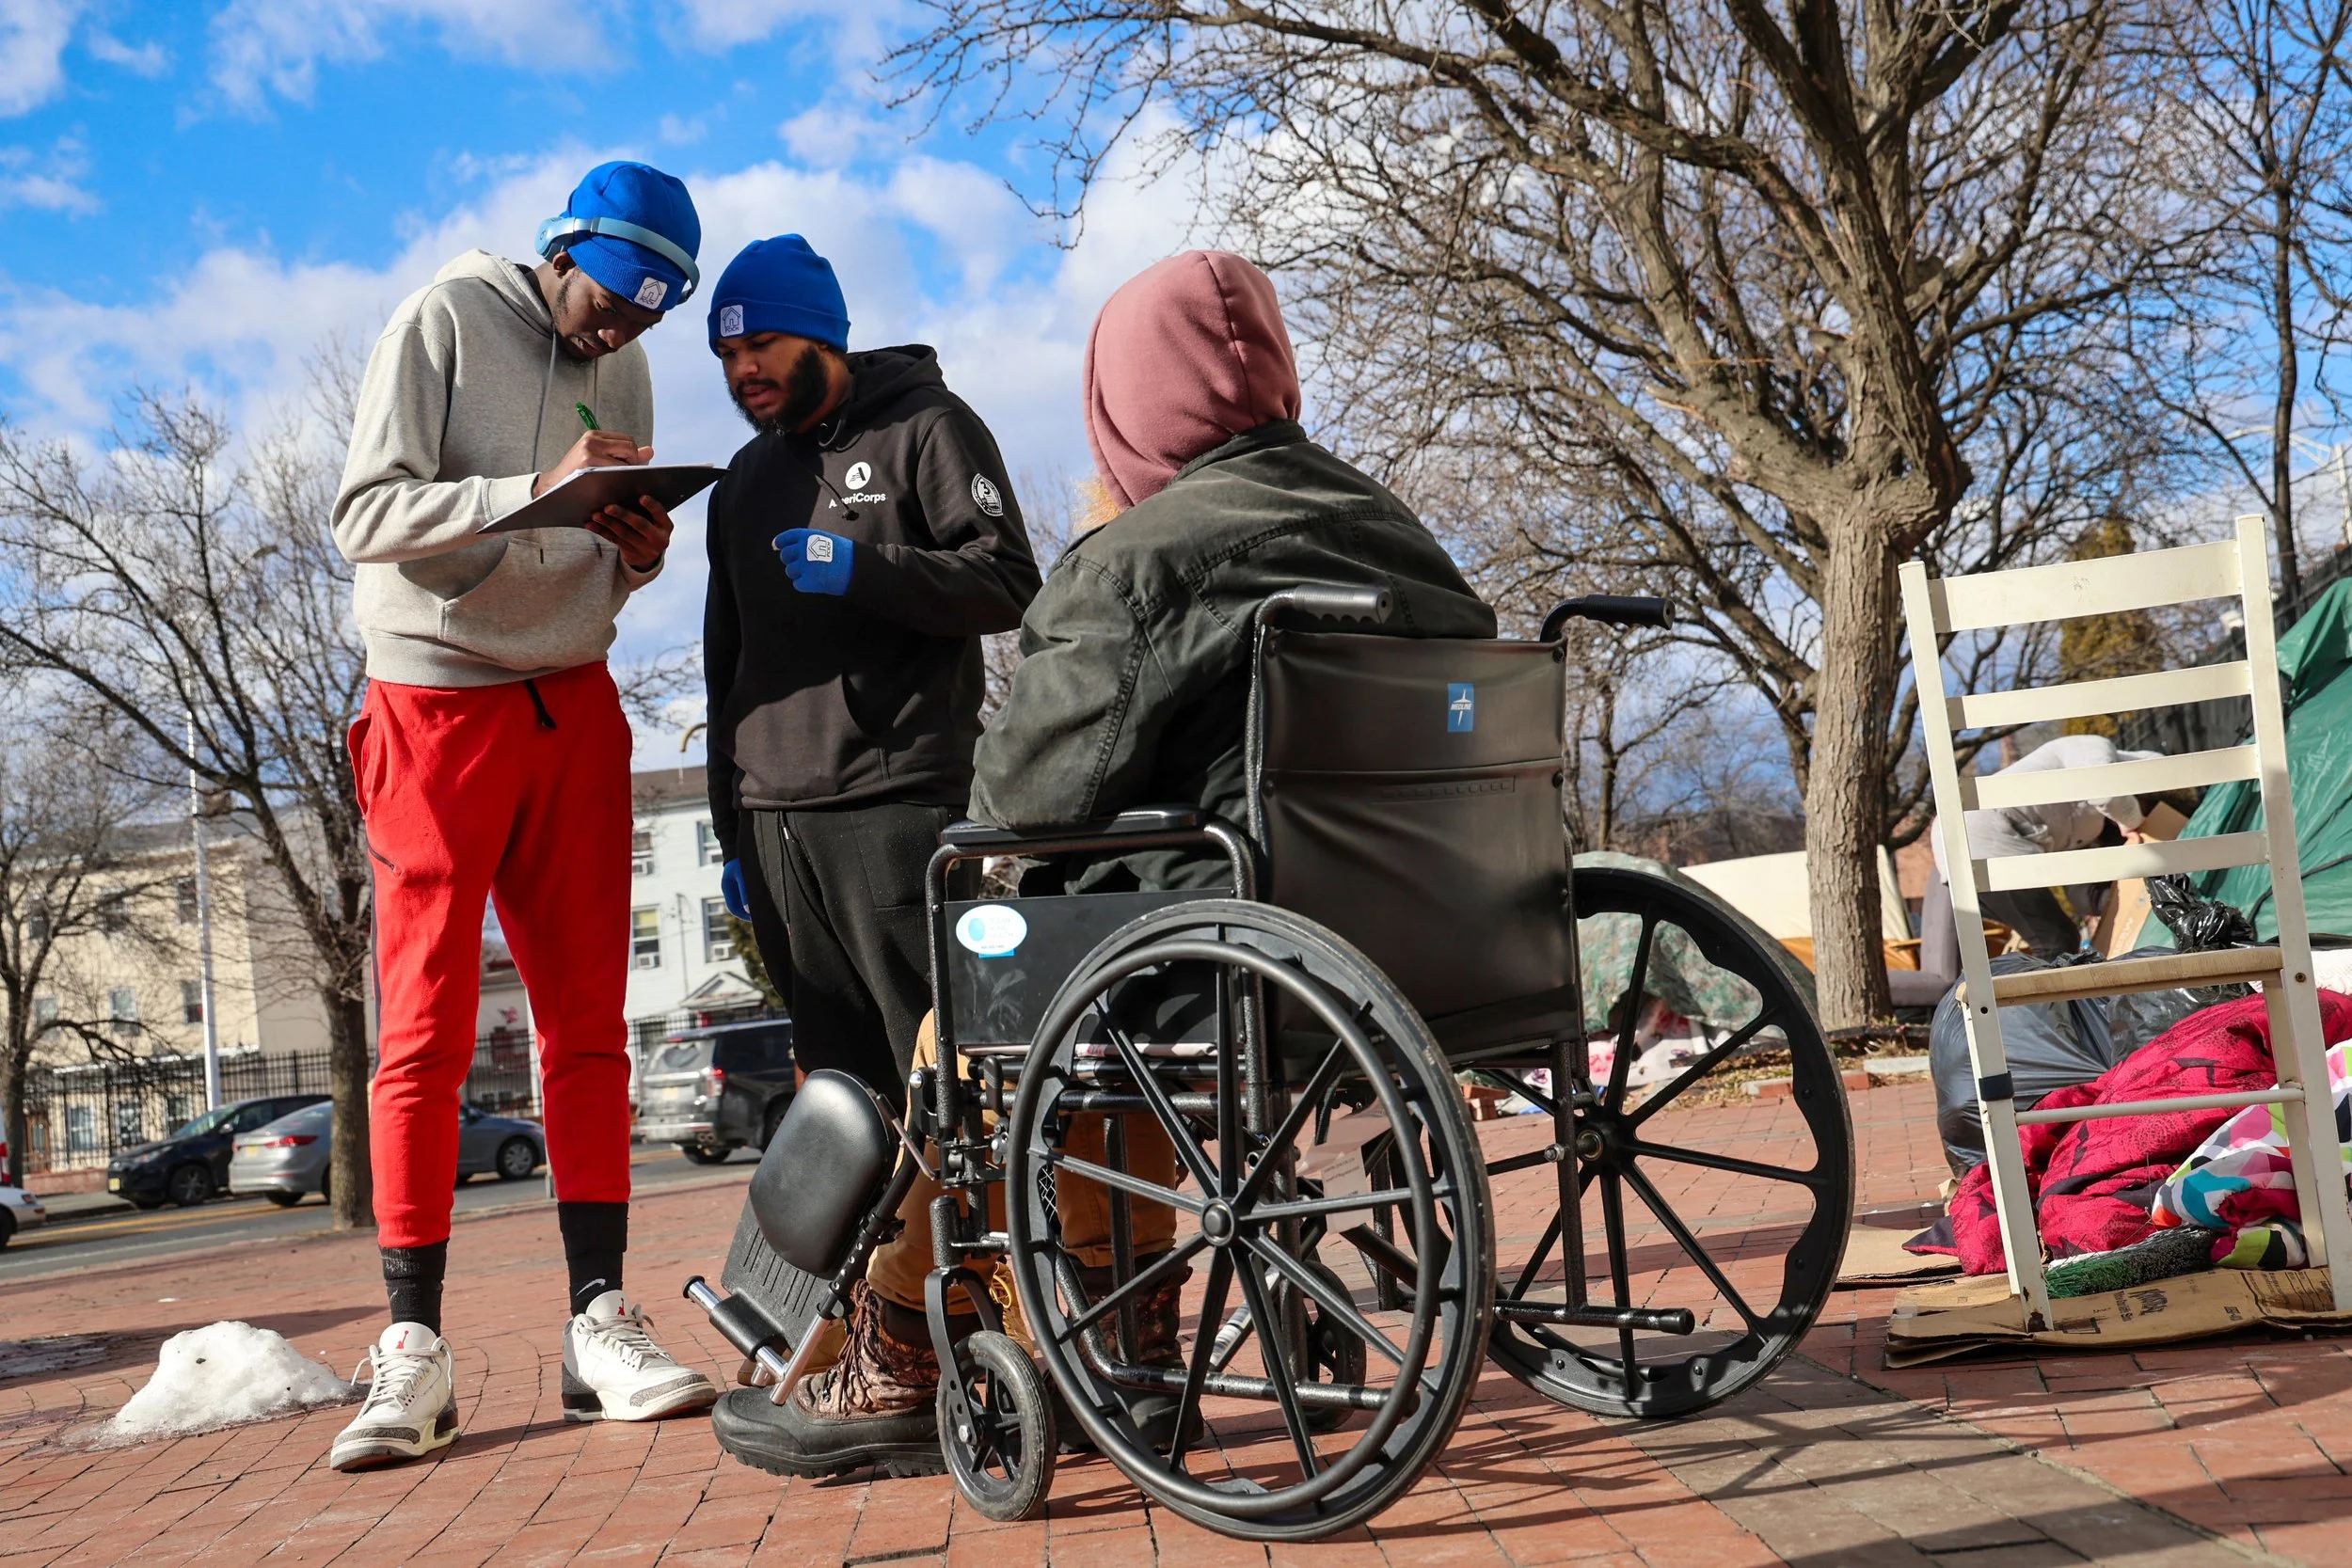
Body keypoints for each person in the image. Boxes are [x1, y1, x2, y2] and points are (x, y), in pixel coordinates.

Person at [708, 249, 1496, 1480]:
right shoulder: (1394, 532)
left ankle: (909, 1345)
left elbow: (1025, 797)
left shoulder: (1142, 556)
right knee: (1077, 980)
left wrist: (1094, 550)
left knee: (978, 1019)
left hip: (1221, 948)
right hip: (1422, 938)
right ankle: (1119, 1331)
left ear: (1127, 402)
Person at [326, 162, 719, 1472]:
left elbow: (603, 540)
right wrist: (528, 491)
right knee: (425, 1028)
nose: (620, 335)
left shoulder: (634, 363)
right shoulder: (442, 317)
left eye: (648, 319)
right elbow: (365, 512)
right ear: (565, 251)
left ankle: (599, 1316)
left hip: (573, 695)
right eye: (611, 303)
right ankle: (412, 1347)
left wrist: (634, 548)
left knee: (588, 1023)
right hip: (436, 703)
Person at [700, 235, 1041, 1104]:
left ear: (821, 339)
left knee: (948, 1071)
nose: (743, 371)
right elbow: (723, 665)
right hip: (777, 829)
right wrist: (731, 827)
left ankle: (985, 1243)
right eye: (728, 355)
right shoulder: (742, 481)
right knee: (844, 1083)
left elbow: (1009, 583)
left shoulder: (929, 425)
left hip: (896, 810)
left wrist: (868, 566)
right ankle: (890, 1243)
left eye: (759, 348)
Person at [1892, 733, 2168, 1006]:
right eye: (2142, 803)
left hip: (1976, 846)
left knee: (2056, 938)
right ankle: (2050, 1026)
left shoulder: (2083, 826)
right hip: (1976, 837)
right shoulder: (2093, 745)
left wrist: (2127, 899)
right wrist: (2133, 821)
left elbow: (2080, 893)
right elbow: (2106, 793)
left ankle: (2042, 1020)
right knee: (2055, 939)